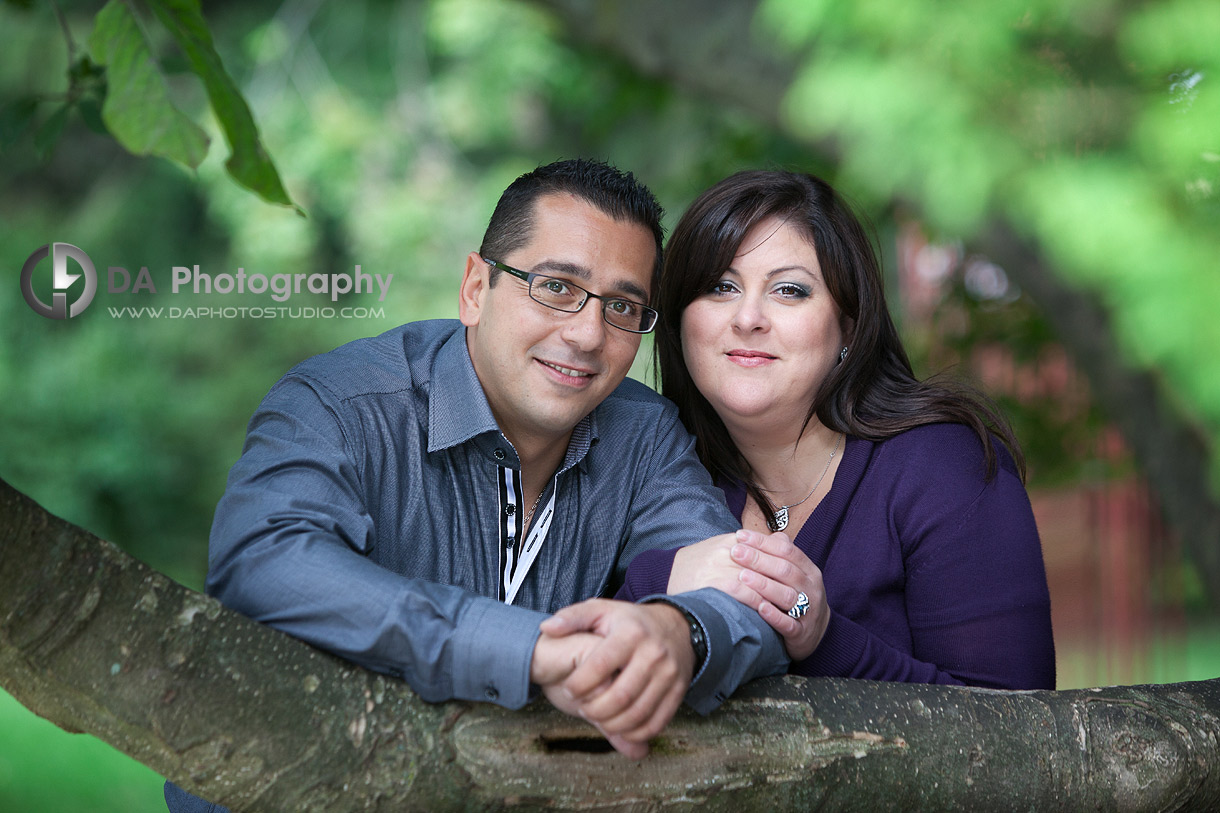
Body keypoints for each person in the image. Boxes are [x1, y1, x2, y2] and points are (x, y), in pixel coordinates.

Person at [165, 159, 786, 811]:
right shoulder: (341, 404)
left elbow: (751, 602)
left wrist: (676, 633)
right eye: (555, 286)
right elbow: (263, 561)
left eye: (623, 305)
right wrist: (528, 648)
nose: (586, 333)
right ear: (474, 288)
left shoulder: (644, 435)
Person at [628, 169, 1055, 689]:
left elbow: (1019, 732)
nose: (748, 318)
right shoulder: (657, 476)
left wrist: (826, 638)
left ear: (847, 326)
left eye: (789, 290)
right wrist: (658, 580)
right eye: (721, 286)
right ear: (678, 321)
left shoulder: (943, 468)